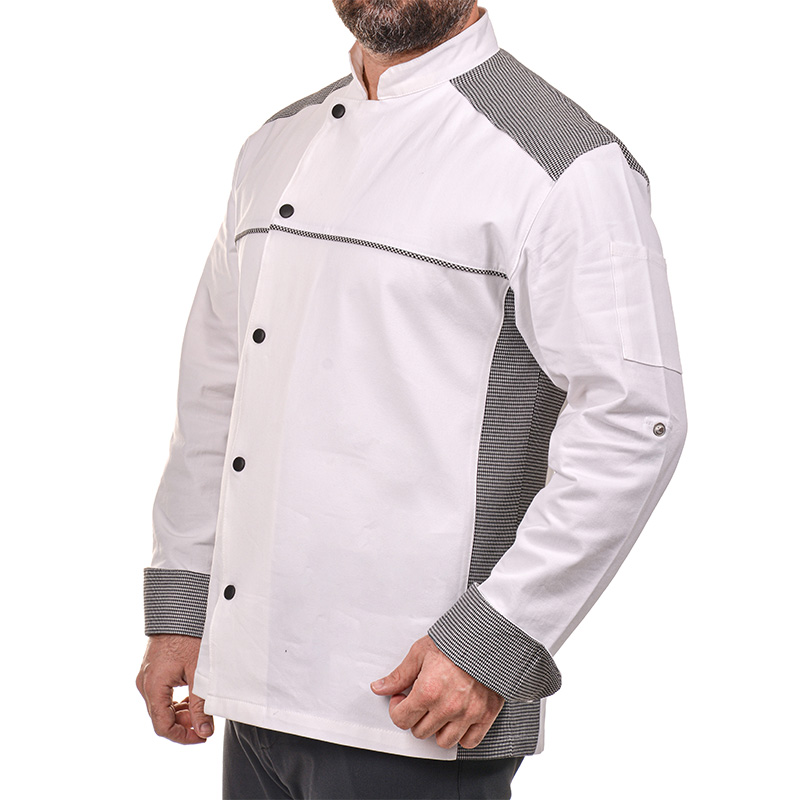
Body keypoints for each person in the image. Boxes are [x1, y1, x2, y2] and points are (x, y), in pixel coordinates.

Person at [136, 2, 687, 798]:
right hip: (251, 689)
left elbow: (635, 421)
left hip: (419, 703)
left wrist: (494, 643)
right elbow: (217, 390)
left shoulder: (564, 162)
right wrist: (181, 606)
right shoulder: (277, 143)